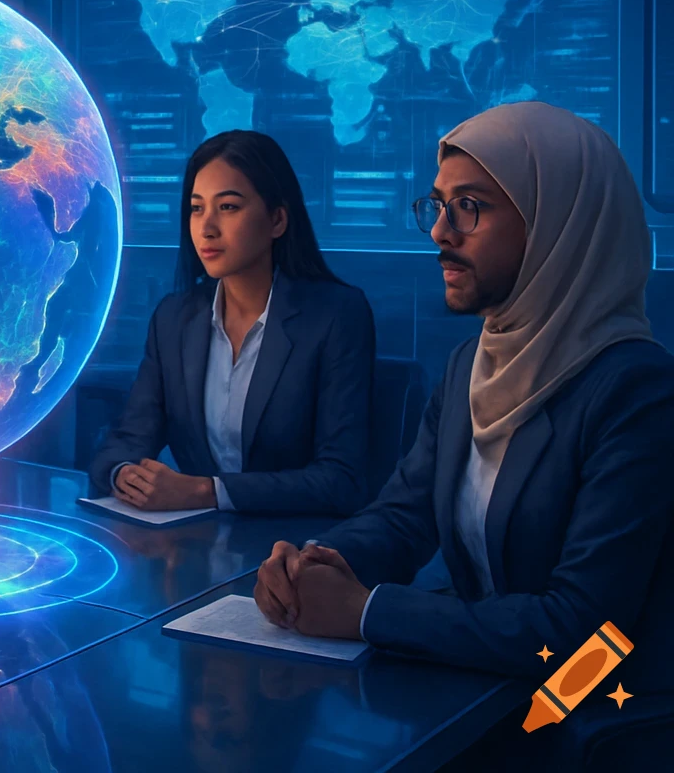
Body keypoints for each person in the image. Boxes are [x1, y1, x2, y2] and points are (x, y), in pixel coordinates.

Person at [253, 102, 674, 766]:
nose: (440, 232)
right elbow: (403, 515)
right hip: (488, 684)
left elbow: (589, 635)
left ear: (557, 226)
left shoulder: (635, 390)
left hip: (588, 714)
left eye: (470, 207)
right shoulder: (471, 364)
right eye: (438, 205)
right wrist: (317, 564)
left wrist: (367, 612)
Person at [88, 130, 375, 516]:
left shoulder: (336, 315)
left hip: (296, 551)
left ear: (276, 219)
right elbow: (127, 439)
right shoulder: (174, 319)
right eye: (196, 208)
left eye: (228, 208)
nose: (206, 228)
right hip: (194, 550)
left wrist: (207, 492)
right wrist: (124, 474)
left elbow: (341, 480)